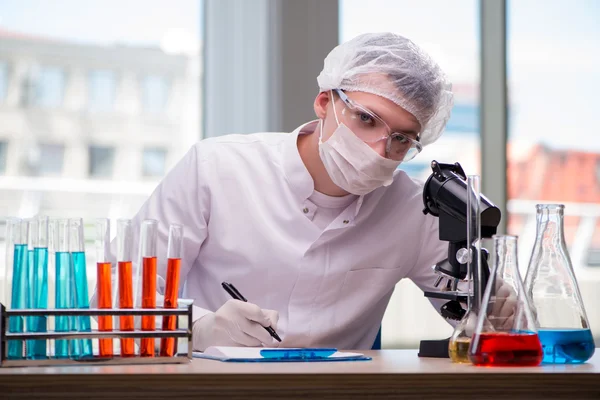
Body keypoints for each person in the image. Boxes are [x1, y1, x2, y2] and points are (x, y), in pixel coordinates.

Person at [93, 32, 457, 351]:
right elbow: (114, 296)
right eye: (366, 118)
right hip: (210, 388)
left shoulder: (414, 208)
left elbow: (478, 315)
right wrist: (197, 327)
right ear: (325, 102)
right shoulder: (216, 168)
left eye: (400, 139)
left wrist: (496, 306)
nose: (378, 150)